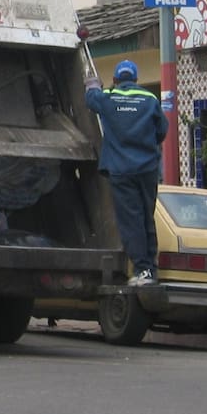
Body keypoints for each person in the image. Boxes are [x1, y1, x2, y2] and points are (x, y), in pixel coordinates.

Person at [85, 60, 169, 286]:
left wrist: (92, 83)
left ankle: (142, 269)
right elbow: (162, 130)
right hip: (147, 169)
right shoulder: (150, 99)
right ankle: (150, 269)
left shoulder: (109, 97)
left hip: (122, 170)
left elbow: (91, 99)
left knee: (131, 220)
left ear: (115, 80)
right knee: (145, 218)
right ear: (136, 79)